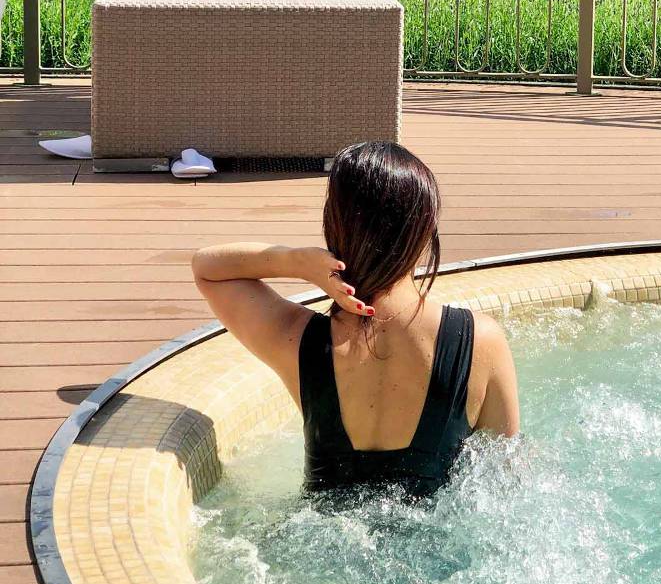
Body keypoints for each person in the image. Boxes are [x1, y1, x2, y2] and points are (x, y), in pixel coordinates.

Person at [192, 141, 519, 497]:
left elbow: (207, 268)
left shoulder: (296, 340)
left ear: (335, 225)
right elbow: (506, 478)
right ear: (425, 232)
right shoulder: (480, 342)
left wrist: (297, 261)